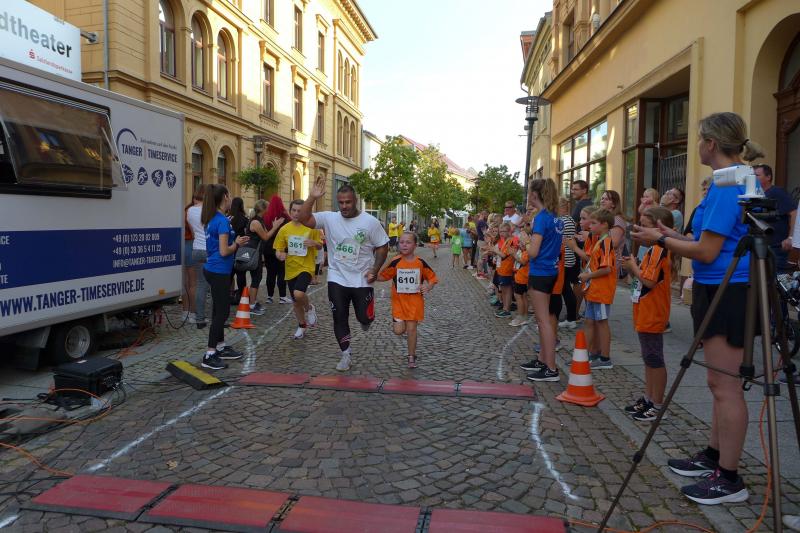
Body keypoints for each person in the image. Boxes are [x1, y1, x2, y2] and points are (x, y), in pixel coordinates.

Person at [632, 111, 763, 505]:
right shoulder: (736, 178)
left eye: (699, 140)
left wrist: (661, 240)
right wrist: (671, 234)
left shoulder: (727, 184)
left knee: (726, 387)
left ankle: (729, 477)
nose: (697, 148)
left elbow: (706, 250)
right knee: (717, 383)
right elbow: (714, 240)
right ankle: (714, 456)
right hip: (722, 286)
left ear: (711, 143)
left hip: (728, 289)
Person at [297, 177, 389, 371]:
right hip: (337, 277)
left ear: (355, 201)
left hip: (362, 278)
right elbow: (304, 219)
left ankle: (365, 319)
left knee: (364, 318)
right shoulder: (329, 218)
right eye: (341, 202)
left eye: (348, 202)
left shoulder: (370, 222)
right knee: (339, 317)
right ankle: (346, 354)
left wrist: (375, 269)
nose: (344, 206)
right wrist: (312, 197)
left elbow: (382, 246)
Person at [622, 207, 673, 421]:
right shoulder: (652, 250)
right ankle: (649, 398)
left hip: (653, 312)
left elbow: (649, 281)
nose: (640, 230)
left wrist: (633, 267)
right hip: (645, 311)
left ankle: (657, 404)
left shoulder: (659, 250)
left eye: (644, 226)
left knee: (654, 359)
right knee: (648, 358)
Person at [199, 184, 249, 370]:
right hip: (218, 270)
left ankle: (220, 346)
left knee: (217, 310)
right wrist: (237, 244)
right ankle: (209, 354)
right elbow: (224, 251)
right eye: (229, 196)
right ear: (225, 197)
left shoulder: (214, 218)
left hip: (213, 268)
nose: (231, 199)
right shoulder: (221, 221)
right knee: (222, 312)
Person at [520, 178, 564, 382]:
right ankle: (542, 359)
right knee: (544, 320)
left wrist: (525, 241)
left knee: (543, 321)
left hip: (540, 271)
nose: (528, 196)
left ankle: (551, 368)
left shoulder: (541, 218)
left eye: (530, 192)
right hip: (551, 270)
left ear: (535, 195)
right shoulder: (555, 218)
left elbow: (534, 252)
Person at [378, 232, 438, 368]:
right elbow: (382, 276)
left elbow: (432, 278)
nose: (404, 245)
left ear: (415, 245)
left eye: (408, 242)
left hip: (415, 302)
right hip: (399, 303)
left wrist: (428, 287)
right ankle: (403, 327)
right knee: (398, 331)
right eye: (402, 242)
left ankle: (411, 356)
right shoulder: (395, 261)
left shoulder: (420, 262)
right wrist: (374, 273)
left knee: (412, 329)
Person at [568, 208, 617, 370]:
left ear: (604, 225)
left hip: (602, 290)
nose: (590, 225)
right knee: (590, 321)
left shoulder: (606, 242)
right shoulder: (599, 241)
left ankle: (605, 358)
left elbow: (607, 269)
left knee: (602, 322)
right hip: (594, 290)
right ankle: (588, 354)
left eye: (594, 223)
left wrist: (588, 276)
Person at [274, 199, 324, 339]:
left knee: (298, 293)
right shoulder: (284, 229)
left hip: (306, 267)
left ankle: (309, 308)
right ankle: (302, 326)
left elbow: (320, 245)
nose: (296, 213)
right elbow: (278, 249)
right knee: (296, 303)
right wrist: (280, 255)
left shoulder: (311, 227)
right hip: (291, 268)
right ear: (290, 211)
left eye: (299, 211)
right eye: (294, 210)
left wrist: (314, 243)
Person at [243, 200, 283, 315]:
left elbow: (267, 235)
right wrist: (275, 227)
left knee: (257, 277)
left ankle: (253, 302)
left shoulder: (260, 220)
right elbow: (265, 237)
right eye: (268, 208)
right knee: (256, 278)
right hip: (253, 253)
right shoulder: (255, 222)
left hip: (257, 253)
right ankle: (251, 305)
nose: (269, 210)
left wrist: (273, 227)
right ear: (263, 209)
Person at [755, 164, 796, 273]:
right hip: (763, 246)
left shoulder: (777, 192)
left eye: (757, 175)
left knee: (776, 279)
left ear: (768, 177)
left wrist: (791, 237)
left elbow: (794, 213)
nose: (753, 178)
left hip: (777, 247)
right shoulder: (757, 195)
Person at [187, 187, 209, 329]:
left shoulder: (189, 211)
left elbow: (193, 232)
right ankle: (217, 318)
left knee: (201, 284)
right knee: (215, 285)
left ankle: (200, 318)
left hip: (196, 249)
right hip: (209, 250)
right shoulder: (210, 211)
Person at [262, 195, 290, 304]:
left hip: (268, 248)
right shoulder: (284, 217)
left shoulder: (266, 216)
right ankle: (282, 296)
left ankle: (269, 296)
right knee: (281, 273)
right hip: (281, 247)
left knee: (270, 273)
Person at [182, 188, 204, 324]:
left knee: (186, 282)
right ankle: (193, 313)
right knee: (194, 283)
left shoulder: (187, 210)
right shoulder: (199, 212)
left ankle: (185, 311)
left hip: (183, 245)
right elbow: (196, 233)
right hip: (192, 244)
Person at [557, 197, 578, 329]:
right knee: (565, 289)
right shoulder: (569, 219)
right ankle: (571, 317)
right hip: (569, 257)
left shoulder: (563, 221)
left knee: (564, 289)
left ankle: (571, 318)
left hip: (565, 258)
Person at [599, 190, 629, 276]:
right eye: (602, 198)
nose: (602, 201)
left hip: (611, 263)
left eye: (606, 199)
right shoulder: (607, 218)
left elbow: (614, 243)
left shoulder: (616, 220)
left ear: (614, 204)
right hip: (604, 260)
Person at [493, 223, 516, 319]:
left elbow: (503, 255)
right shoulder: (506, 240)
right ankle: (505, 308)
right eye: (500, 231)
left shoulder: (512, 240)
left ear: (509, 231)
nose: (501, 233)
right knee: (503, 290)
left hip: (507, 269)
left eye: (503, 231)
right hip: (502, 269)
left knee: (507, 290)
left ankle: (507, 309)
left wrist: (494, 250)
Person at [229, 197, 249, 303]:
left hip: (230, 248)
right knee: (241, 274)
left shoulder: (228, 218)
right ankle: (242, 296)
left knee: (229, 273)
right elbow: (247, 234)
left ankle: (227, 294)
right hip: (242, 249)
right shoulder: (245, 219)